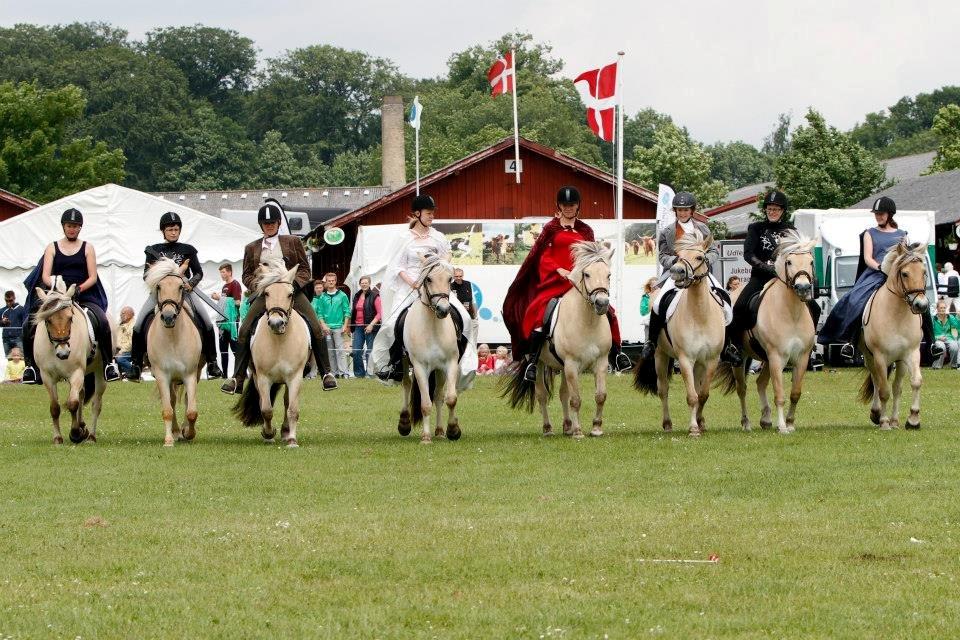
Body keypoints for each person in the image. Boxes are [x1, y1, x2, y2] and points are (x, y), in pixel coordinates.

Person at [504, 186, 633, 382]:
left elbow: (593, 257)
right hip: (555, 282)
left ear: (577, 206)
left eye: (572, 205)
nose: (568, 208)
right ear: (559, 206)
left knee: (609, 311)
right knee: (539, 313)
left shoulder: (585, 230)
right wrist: (559, 270)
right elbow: (542, 256)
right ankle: (533, 360)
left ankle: (617, 352)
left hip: (581, 283)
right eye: (565, 205)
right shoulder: (551, 228)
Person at [221, 201, 337, 394]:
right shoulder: (252, 248)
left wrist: (290, 285)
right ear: (261, 225)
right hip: (266, 294)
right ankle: (238, 378)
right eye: (266, 223)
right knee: (244, 329)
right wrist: (259, 287)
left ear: (278, 223)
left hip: (292, 292)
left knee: (316, 326)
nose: (270, 225)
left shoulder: (292, 242)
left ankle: (326, 373)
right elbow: (246, 275)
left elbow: (305, 270)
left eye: (273, 222)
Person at [818, 196, 941, 360]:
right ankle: (851, 342)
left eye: (881, 213)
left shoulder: (902, 234)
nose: (878, 216)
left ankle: (932, 342)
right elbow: (868, 258)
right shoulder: (869, 233)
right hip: (875, 273)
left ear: (890, 214)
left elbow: (906, 257)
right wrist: (881, 267)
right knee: (855, 299)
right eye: (876, 213)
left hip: (898, 276)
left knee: (920, 299)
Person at [371, 194, 476, 383]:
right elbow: (397, 266)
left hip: (435, 287)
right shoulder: (404, 237)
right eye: (428, 213)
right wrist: (413, 282)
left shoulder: (438, 237)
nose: (431, 216)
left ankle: (461, 359)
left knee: (466, 318)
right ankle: (394, 365)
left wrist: (440, 268)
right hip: (410, 287)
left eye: (432, 213)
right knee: (390, 324)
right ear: (417, 214)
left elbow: (447, 256)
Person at [21, 208, 120, 384]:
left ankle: (108, 363)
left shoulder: (87, 247)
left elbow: (93, 277)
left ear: (80, 228)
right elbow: (45, 275)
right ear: (63, 226)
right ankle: (30, 367)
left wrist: (78, 289)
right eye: (69, 226)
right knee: (28, 322)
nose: (72, 229)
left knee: (102, 321)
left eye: (75, 226)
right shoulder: (52, 247)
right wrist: (56, 287)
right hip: (57, 294)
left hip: (83, 293)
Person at [640, 191, 738, 365]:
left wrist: (706, 260)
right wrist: (677, 261)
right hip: (676, 273)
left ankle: (727, 346)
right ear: (675, 211)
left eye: (686, 210)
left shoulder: (703, 228)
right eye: (679, 210)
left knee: (725, 299)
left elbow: (713, 250)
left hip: (701, 273)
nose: (682, 213)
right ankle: (651, 342)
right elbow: (662, 256)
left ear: (692, 211)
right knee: (658, 303)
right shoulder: (668, 231)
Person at [126, 212, 224, 382]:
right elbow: (145, 275)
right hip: (160, 295)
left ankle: (212, 362)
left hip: (185, 293)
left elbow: (198, 273)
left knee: (207, 323)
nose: (173, 232)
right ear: (163, 231)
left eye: (176, 229)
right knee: (139, 324)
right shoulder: (153, 251)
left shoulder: (188, 250)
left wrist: (191, 283)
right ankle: (135, 365)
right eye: (170, 229)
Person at [312, 274, 352, 378]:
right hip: (327, 329)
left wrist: (345, 325)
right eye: (328, 281)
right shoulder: (322, 297)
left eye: (332, 280)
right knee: (330, 352)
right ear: (326, 282)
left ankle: (344, 372)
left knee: (340, 351)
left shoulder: (342, 295)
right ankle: (334, 373)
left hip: (339, 327)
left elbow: (347, 311)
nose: (330, 282)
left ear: (335, 281)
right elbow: (320, 313)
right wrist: (324, 325)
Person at [211, 263, 242, 377]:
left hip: (231, 322)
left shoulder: (235, 284)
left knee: (234, 348)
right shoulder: (224, 286)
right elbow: (225, 303)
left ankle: (239, 373)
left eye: (223, 272)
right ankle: (224, 375)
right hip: (222, 321)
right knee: (223, 348)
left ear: (229, 272)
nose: (222, 274)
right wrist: (218, 298)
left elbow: (237, 302)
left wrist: (220, 298)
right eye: (220, 272)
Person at [349, 275, 381, 378]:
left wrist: (371, 325)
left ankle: (370, 374)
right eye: (362, 283)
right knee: (356, 351)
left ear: (369, 283)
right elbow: (352, 312)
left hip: (371, 327)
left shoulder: (375, 296)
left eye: (366, 282)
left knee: (370, 351)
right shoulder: (357, 296)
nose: (364, 284)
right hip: (358, 327)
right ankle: (359, 374)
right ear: (360, 284)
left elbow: (380, 313)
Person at [931, 299, 960, 369]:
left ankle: (954, 365)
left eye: (944, 308)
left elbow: (958, 326)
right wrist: (938, 338)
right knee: (941, 347)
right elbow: (930, 333)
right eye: (941, 308)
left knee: (955, 346)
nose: (943, 309)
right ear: (937, 309)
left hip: (949, 338)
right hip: (937, 339)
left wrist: (958, 317)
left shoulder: (950, 317)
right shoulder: (933, 319)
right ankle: (937, 366)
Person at [1, 290, 26, 357]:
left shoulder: (21, 309)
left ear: (14, 298)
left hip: (18, 338)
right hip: (6, 338)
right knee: (9, 359)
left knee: (21, 358)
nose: (8, 303)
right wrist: (2, 322)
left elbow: (25, 323)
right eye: (7, 301)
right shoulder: (2, 310)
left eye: (10, 300)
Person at [115, 306, 135, 377]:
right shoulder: (120, 325)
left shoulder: (133, 326)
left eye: (123, 313)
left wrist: (120, 352)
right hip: (119, 349)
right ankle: (119, 374)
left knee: (120, 359)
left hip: (130, 351)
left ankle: (133, 371)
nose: (121, 315)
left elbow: (131, 343)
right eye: (121, 314)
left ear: (130, 314)